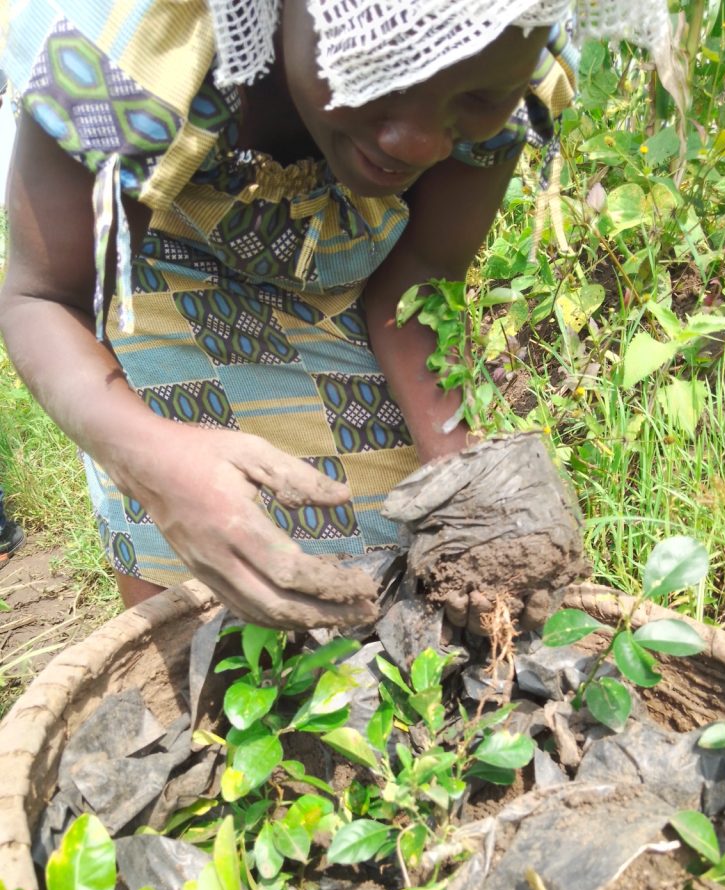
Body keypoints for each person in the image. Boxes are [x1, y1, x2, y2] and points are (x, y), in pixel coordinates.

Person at [0, 0, 674, 628]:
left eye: (474, 98)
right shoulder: (140, 46)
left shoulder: (506, 42)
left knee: (393, 555)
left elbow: (420, 279)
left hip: (340, 262)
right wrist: (153, 461)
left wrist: (466, 487)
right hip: (152, 257)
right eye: (379, 72)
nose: (416, 143)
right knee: (210, 576)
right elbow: (44, 297)